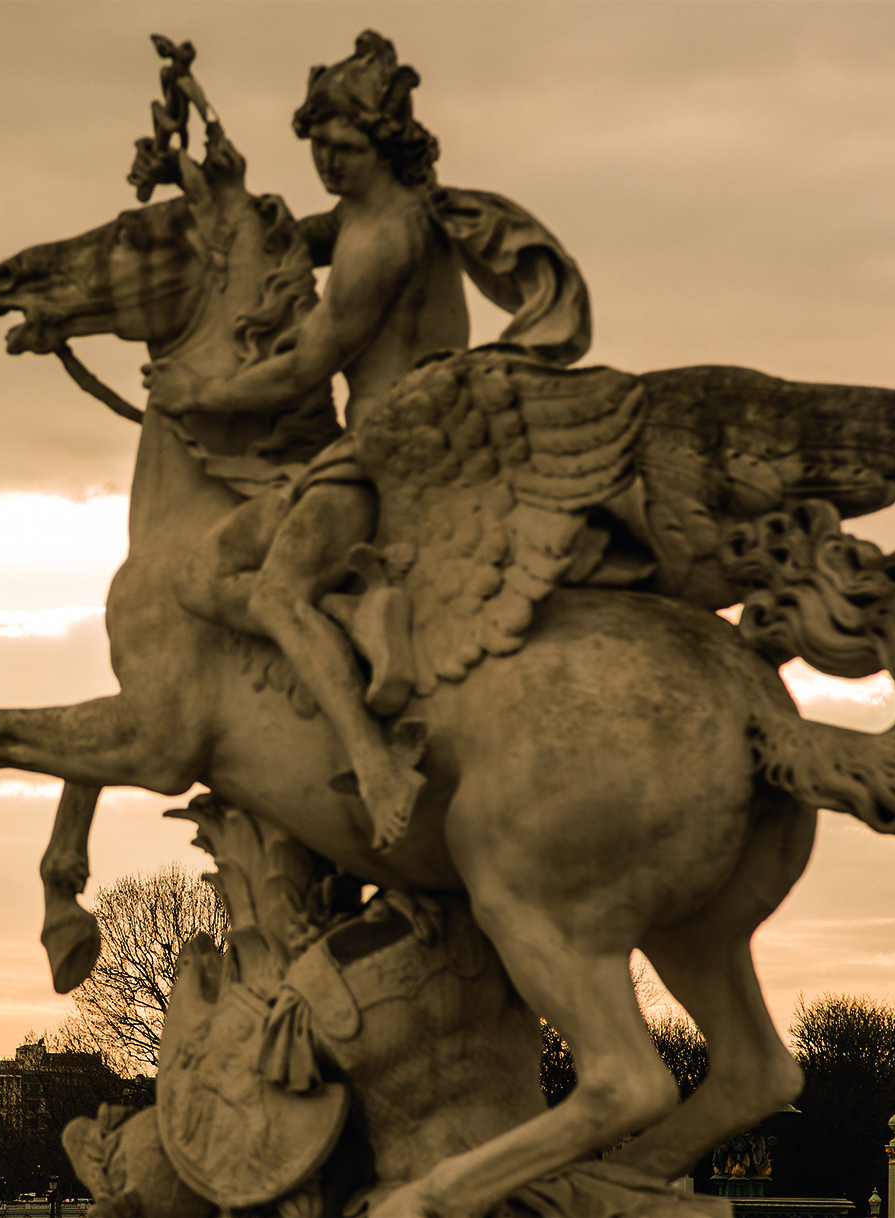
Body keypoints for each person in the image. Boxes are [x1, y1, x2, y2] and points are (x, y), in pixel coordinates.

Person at [146, 31, 591, 851]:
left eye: (343, 148)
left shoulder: (384, 238)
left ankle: (377, 761)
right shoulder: (371, 214)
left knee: (275, 591)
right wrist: (226, 192)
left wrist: (198, 393)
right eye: (316, 148)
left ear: (384, 145)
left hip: (391, 450)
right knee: (200, 575)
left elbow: (307, 364)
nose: (327, 164)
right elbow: (285, 241)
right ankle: (350, 616)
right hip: (395, 439)